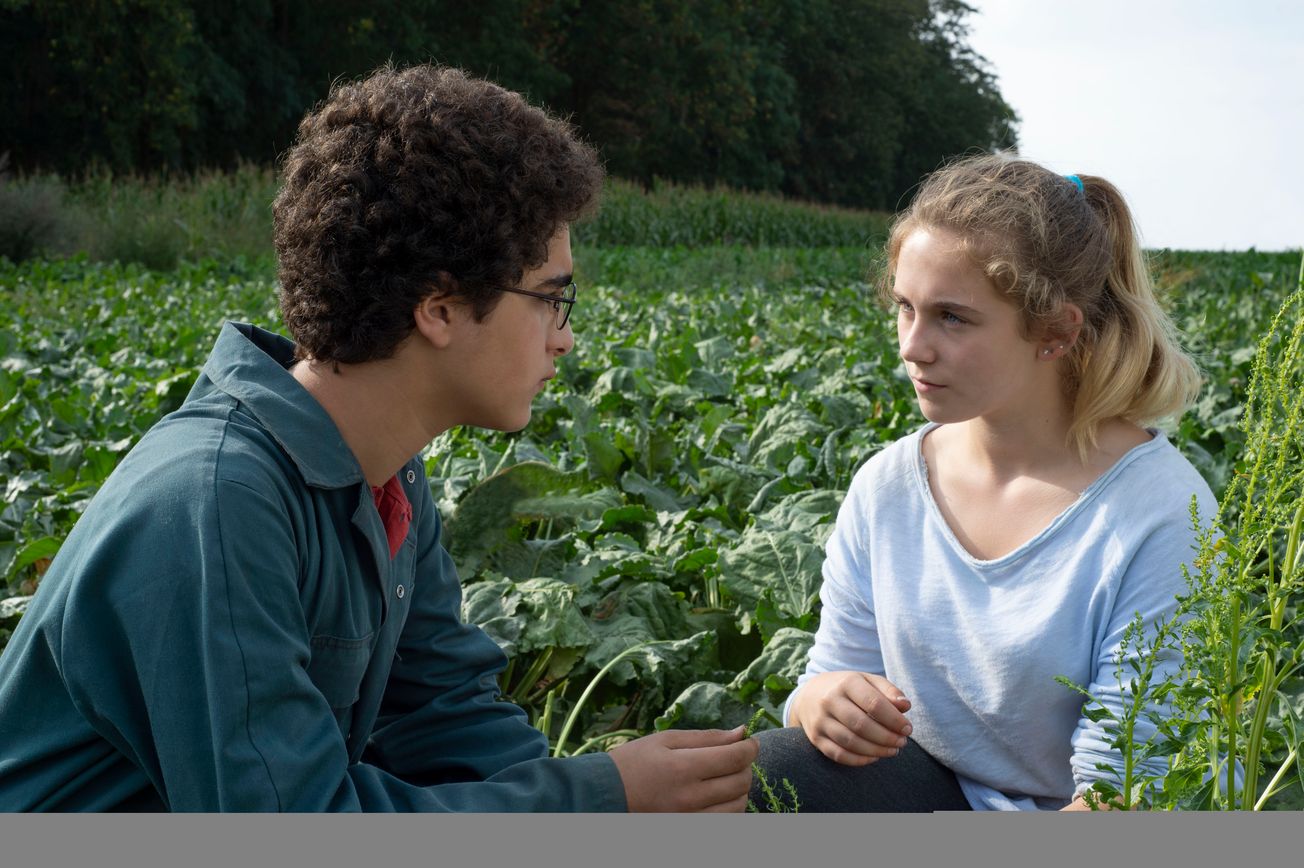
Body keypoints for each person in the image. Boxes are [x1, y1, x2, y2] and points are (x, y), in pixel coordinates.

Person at [0, 64, 757, 812]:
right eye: (550, 300)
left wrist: (610, 807)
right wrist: (597, 802)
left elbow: (443, 714)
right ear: (440, 309)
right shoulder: (218, 501)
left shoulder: (387, 475)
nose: (564, 338)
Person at [749, 154, 1214, 811]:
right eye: (905, 307)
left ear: (1054, 331)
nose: (912, 346)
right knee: (768, 772)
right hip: (933, 793)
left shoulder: (1161, 513)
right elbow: (829, 675)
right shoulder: (887, 487)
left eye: (952, 317)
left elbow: (1128, 788)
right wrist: (822, 701)